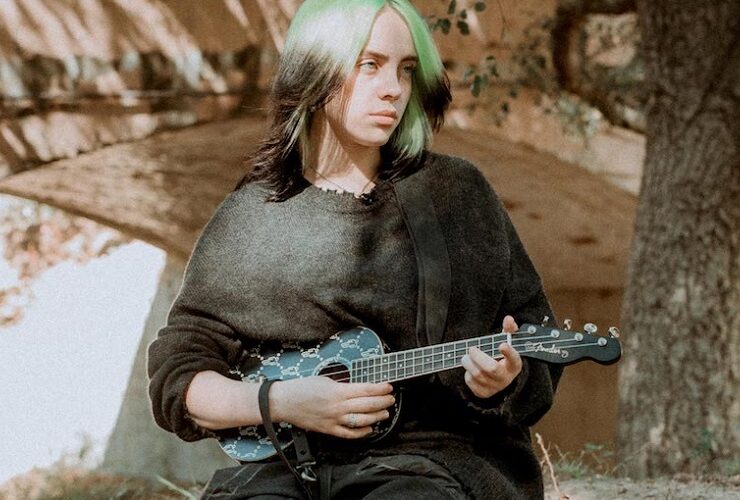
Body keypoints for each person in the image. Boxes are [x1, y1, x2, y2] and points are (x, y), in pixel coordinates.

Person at [147, 0, 562, 498]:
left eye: (405, 70)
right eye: (370, 65)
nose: (394, 89)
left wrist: (505, 380)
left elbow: (536, 336)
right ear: (315, 71)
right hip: (285, 469)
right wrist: (282, 402)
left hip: (432, 462)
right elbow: (179, 373)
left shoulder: (455, 193)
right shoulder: (253, 213)